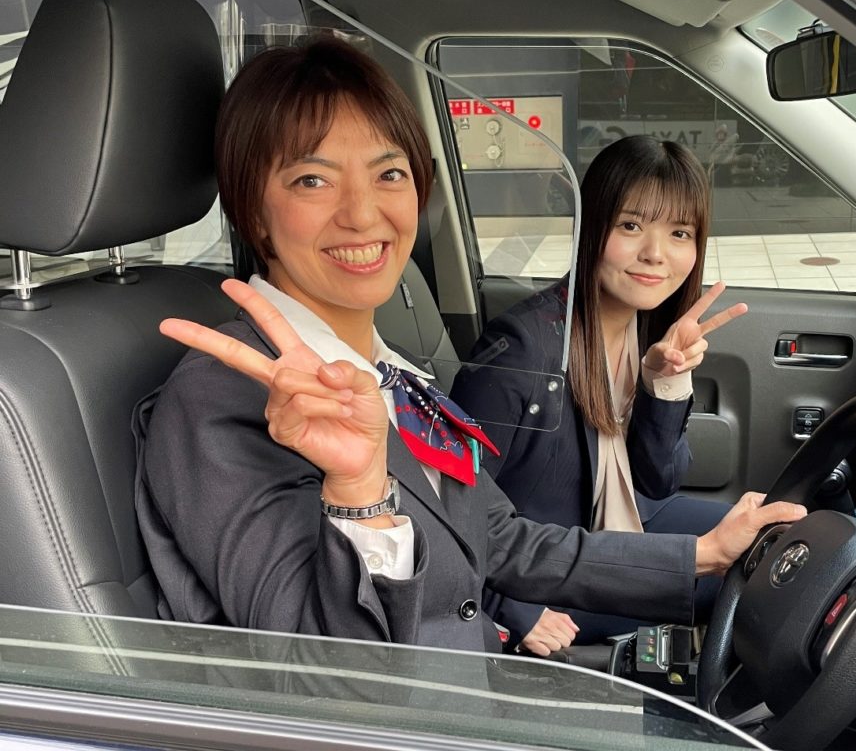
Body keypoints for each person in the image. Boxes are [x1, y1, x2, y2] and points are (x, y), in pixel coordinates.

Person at [133, 36, 805, 653]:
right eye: (313, 179)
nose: (363, 213)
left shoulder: (391, 374)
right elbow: (328, 678)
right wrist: (359, 493)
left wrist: (706, 554)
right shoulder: (224, 391)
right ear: (253, 210)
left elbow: (501, 538)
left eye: (389, 174)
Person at [450, 136, 743, 655]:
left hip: (618, 526)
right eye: (631, 226)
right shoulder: (523, 351)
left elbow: (658, 480)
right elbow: (445, 504)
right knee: (751, 584)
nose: (655, 254)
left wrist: (664, 383)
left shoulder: (644, 326)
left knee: (771, 547)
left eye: (679, 232)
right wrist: (511, 609)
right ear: (591, 226)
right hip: (544, 572)